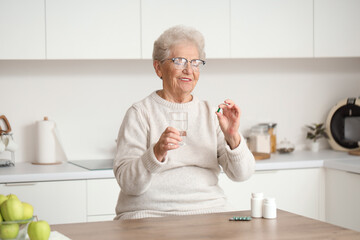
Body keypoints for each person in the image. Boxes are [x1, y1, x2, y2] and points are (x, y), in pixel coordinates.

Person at [113, 25, 255, 220]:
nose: (189, 69)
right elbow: (128, 184)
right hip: (149, 214)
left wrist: (233, 137)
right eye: (179, 61)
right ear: (158, 68)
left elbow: (242, 174)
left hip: (210, 210)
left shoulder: (210, 113)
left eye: (195, 62)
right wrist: (156, 153)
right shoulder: (140, 114)